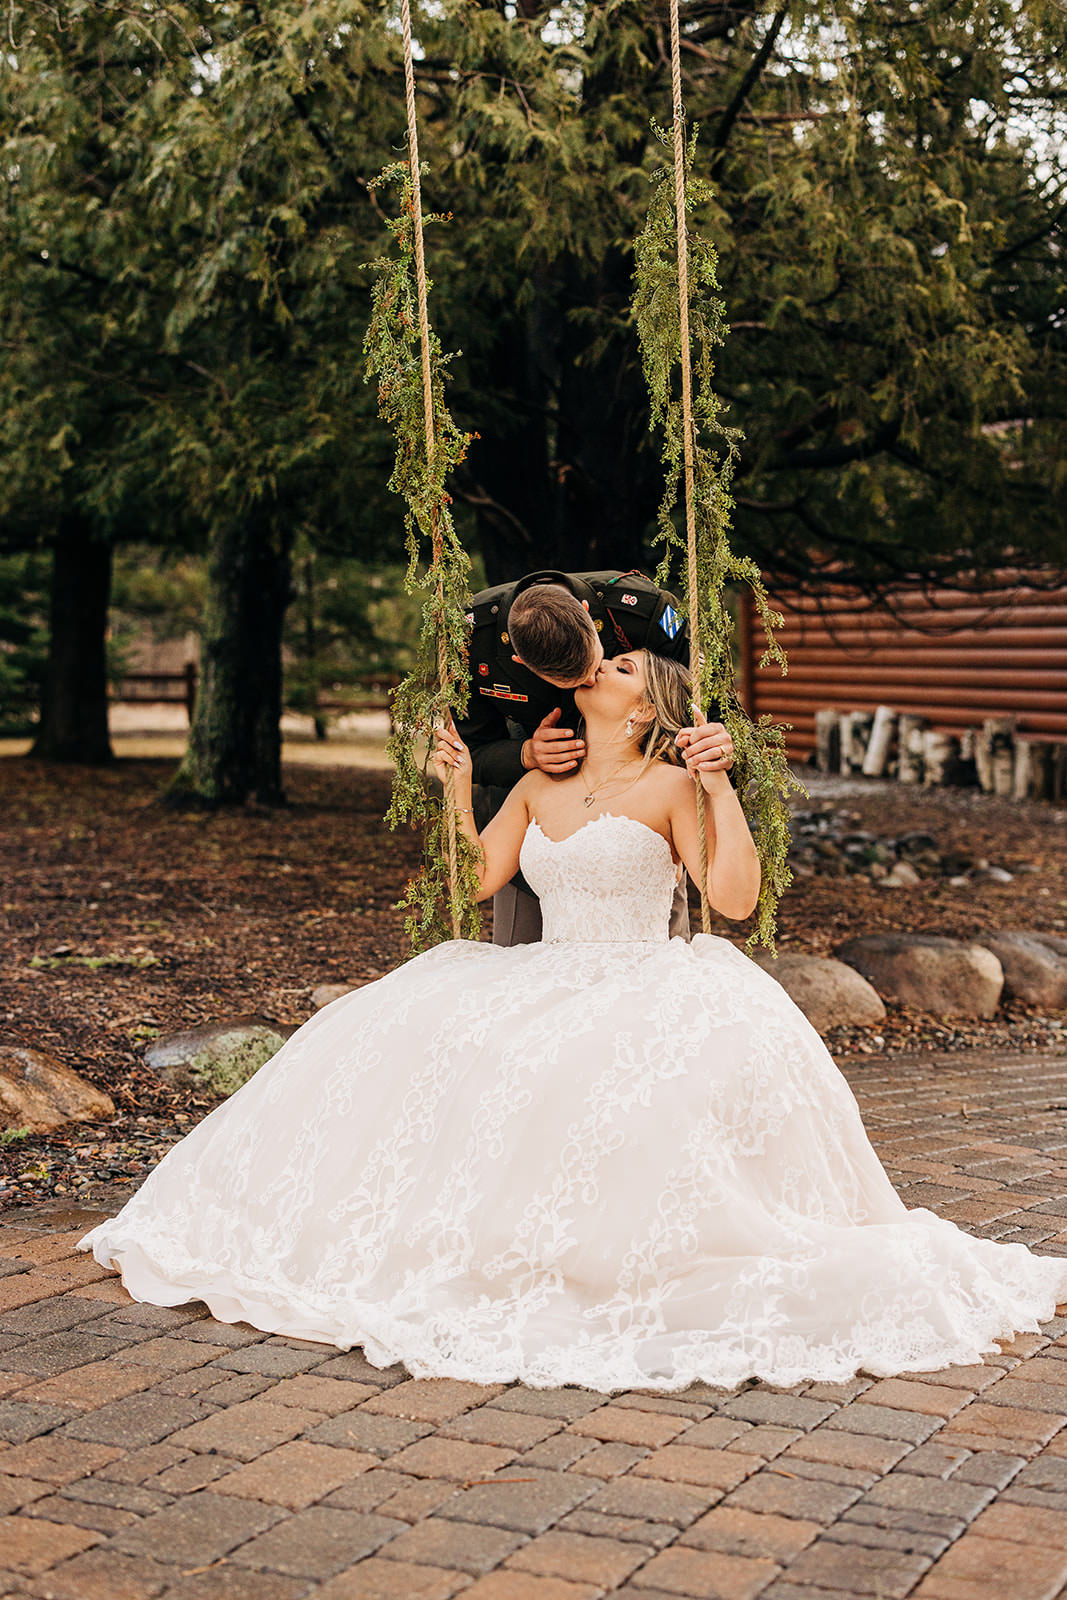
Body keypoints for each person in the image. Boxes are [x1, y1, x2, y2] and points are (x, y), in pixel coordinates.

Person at [80, 649, 1067, 1393]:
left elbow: (729, 898)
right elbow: (476, 881)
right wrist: (459, 782)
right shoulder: (537, 782)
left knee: (611, 1087)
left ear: (648, 705)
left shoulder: (673, 782)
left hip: (643, 972)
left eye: (628, 662)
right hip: (543, 971)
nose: (605, 659)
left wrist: (720, 783)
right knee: (404, 1041)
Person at [458, 568, 735, 945]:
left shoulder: (646, 616)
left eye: (610, 663)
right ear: (521, 663)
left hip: (645, 832)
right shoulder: (472, 640)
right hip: (532, 848)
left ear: (590, 617)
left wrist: (717, 765)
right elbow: (474, 752)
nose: (593, 677)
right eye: (575, 682)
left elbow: (713, 711)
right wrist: (524, 754)